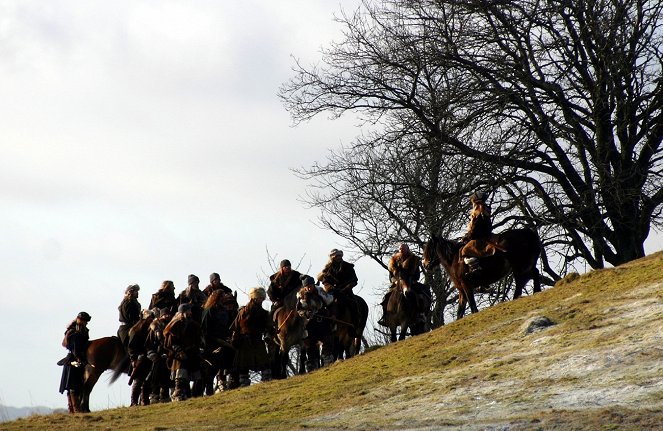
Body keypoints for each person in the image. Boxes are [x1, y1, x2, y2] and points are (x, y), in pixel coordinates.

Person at [230, 287, 274, 387]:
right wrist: (235, 340)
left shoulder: (264, 313)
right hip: (244, 342)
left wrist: (271, 332)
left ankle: (266, 384)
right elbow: (235, 327)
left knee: (265, 365)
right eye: (260, 298)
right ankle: (244, 385)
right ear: (254, 298)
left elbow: (268, 327)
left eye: (263, 298)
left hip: (257, 341)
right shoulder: (243, 312)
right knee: (243, 367)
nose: (262, 300)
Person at [378, 243, 429, 326]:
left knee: (420, 295)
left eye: (403, 249)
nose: (402, 250)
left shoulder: (414, 260)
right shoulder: (393, 261)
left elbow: (417, 275)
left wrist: (411, 280)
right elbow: (391, 276)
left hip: (410, 282)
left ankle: (421, 314)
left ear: (407, 250)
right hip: (397, 283)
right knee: (386, 297)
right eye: (400, 249)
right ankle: (385, 317)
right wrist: (395, 281)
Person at [163, 303, 203, 401]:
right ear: (182, 312)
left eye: (190, 311)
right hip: (180, 356)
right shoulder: (175, 324)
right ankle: (177, 395)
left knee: (193, 376)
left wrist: (199, 348)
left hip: (192, 354)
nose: (190, 313)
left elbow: (198, 339)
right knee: (181, 376)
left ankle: (191, 396)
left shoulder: (194, 324)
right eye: (188, 311)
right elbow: (170, 343)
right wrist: (179, 351)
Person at [201, 290, 238, 394]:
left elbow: (227, 326)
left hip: (223, 341)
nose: (224, 298)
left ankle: (231, 385)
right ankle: (209, 391)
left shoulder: (224, 311)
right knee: (212, 368)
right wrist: (209, 344)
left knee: (231, 361)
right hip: (212, 343)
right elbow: (204, 329)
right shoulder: (209, 310)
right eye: (222, 296)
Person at [317, 249, 361, 329]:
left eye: (339, 256)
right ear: (332, 257)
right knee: (322, 306)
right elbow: (325, 282)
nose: (338, 257)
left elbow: (354, 280)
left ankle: (355, 326)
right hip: (332, 292)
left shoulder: (348, 267)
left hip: (346, 292)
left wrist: (346, 288)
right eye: (336, 256)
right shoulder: (327, 269)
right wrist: (331, 288)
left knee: (354, 305)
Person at [459, 192, 502, 275]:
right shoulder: (485, 210)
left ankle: (475, 269)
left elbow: (475, 229)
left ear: (475, 202)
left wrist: (468, 236)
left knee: (464, 250)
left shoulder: (477, 212)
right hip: (486, 235)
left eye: (472, 201)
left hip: (480, 238)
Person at [58, 311, 91, 414]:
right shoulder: (73, 332)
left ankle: (74, 409)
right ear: (79, 319)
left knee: (78, 385)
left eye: (86, 321)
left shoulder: (82, 330)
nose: (85, 323)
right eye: (84, 320)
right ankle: (74, 409)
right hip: (73, 360)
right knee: (72, 386)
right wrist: (79, 359)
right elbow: (75, 349)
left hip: (79, 358)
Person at [145, 307, 173, 404]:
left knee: (166, 376)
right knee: (155, 376)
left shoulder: (171, 326)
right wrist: (154, 354)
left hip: (167, 354)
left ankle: (165, 395)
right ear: (161, 316)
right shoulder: (155, 328)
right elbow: (149, 343)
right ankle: (154, 395)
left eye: (168, 314)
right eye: (165, 314)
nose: (167, 316)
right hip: (157, 355)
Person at [117, 284, 141, 348]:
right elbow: (132, 318)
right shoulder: (128, 303)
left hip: (128, 327)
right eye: (136, 291)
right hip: (127, 329)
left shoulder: (132, 302)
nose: (138, 293)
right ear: (131, 292)